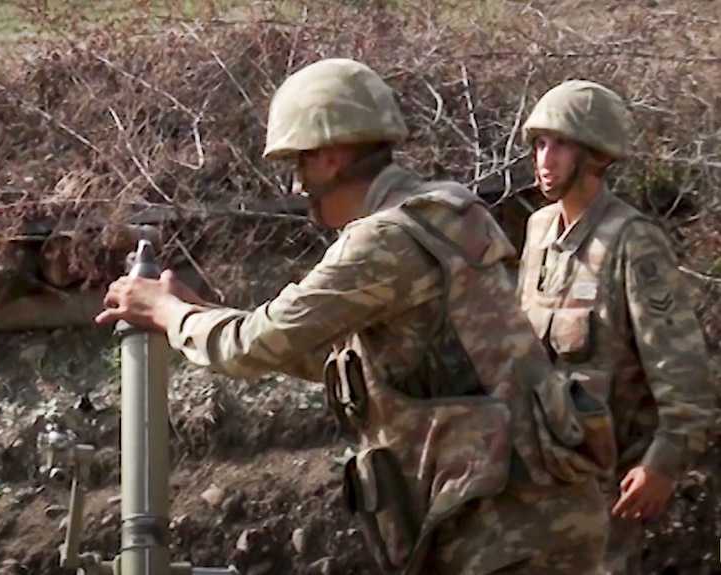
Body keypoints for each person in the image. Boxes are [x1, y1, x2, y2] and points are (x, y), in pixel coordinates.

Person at [98, 58, 613, 574]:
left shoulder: (385, 239)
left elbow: (253, 345)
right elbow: (344, 363)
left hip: (506, 533)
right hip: (529, 521)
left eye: (299, 165)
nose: (298, 188)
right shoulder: (444, 212)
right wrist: (199, 312)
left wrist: (165, 311)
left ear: (330, 157)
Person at [517, 79, 716, 575]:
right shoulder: (538, 231)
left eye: (561, 144)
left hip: (605, 489)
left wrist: (663, 462)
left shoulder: (633, 242)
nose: (546, 158)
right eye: (540, 143)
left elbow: (684, 374)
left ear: (598, 156)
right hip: (534, 476)